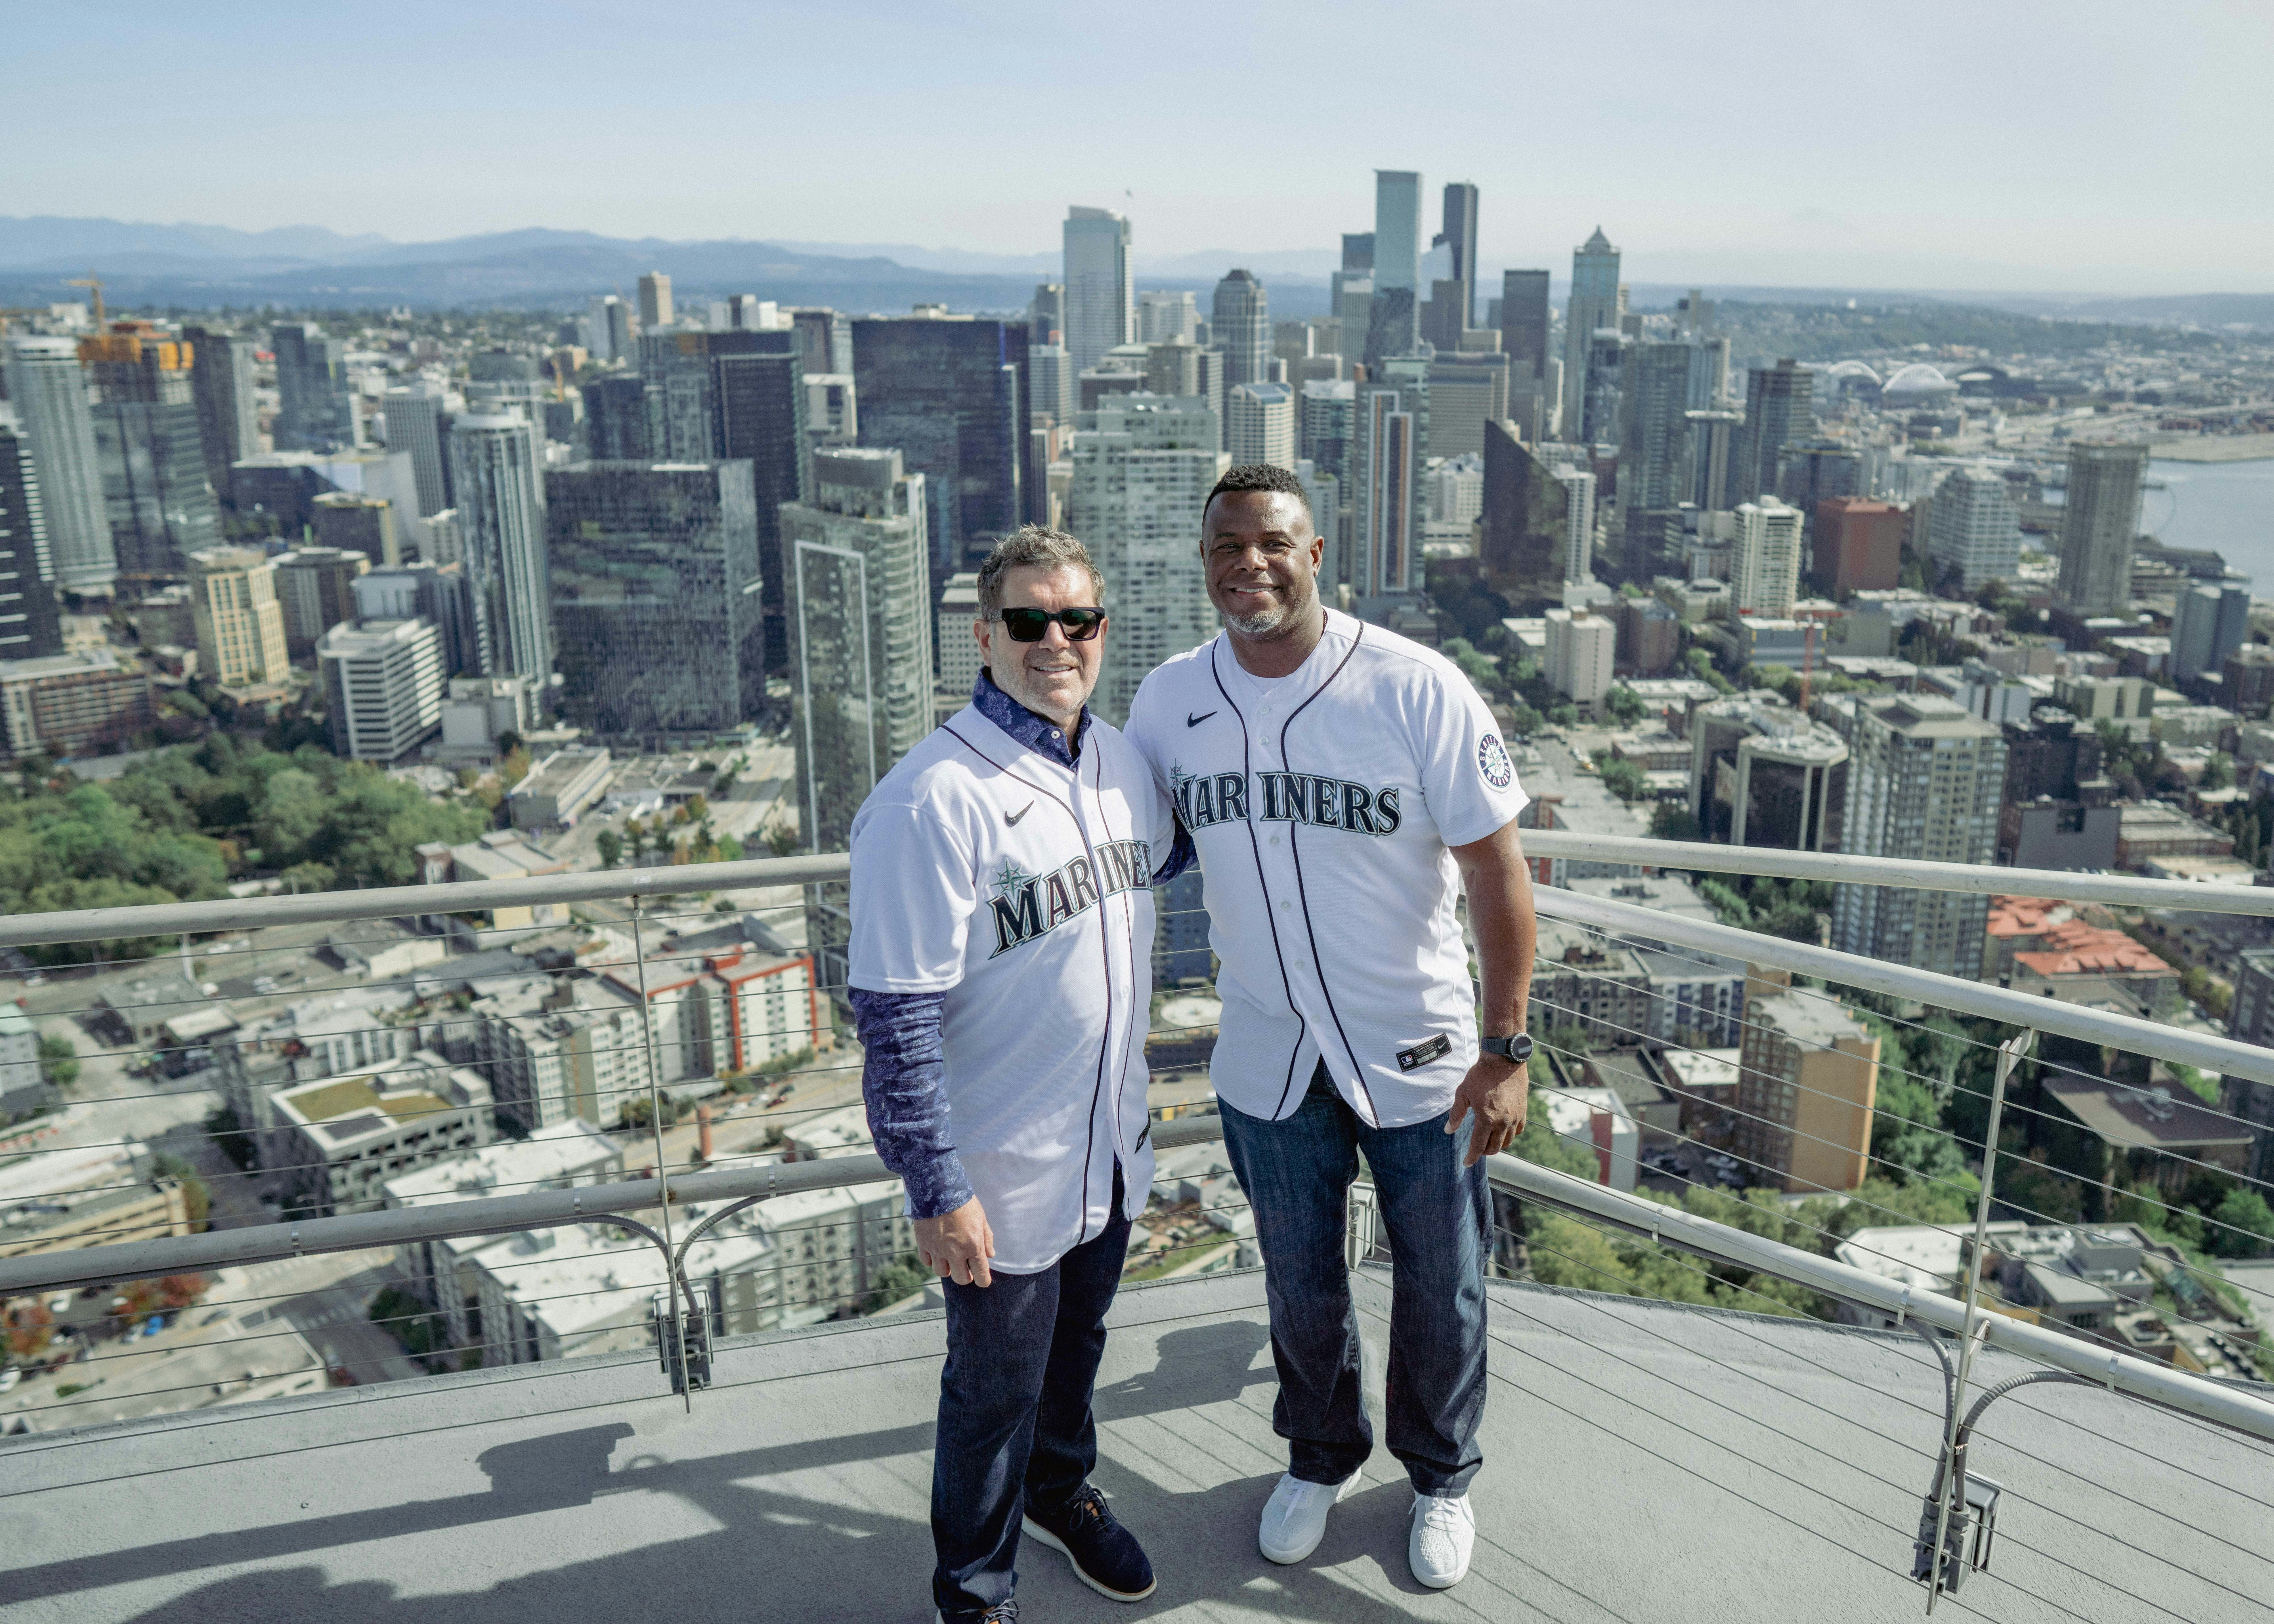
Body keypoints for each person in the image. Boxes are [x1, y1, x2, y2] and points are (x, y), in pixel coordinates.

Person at [1123, 464, 1539, 1591]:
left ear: (1315, 555)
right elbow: (1131, 849)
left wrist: (1505, 1052)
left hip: (1420, 1050)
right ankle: (1318, 1455)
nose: (1245, 564)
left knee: (1440, 1278)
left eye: (1269, 543)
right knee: (1297, 1279)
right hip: (1265, 1047)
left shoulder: (1416, 686)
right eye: (1223, 548)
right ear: (1202, 564)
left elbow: (1499, 877)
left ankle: (1442, 1474)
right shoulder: (1167, 699)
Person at [848, 526, 1180, 1624]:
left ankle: (1061, 1492)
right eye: (1028, 621)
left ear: (1100, 633)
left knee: (1076, 1355)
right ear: (983, 634)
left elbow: (1195, 851)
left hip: (1111, 1146)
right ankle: (976, 1591)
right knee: (989, 1396)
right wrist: (935, 1185)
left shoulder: (1122, 759)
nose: (1055, 641)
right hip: (997, 1170)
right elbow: (893, 1015)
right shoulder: (929, 796)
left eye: (1076, 620)